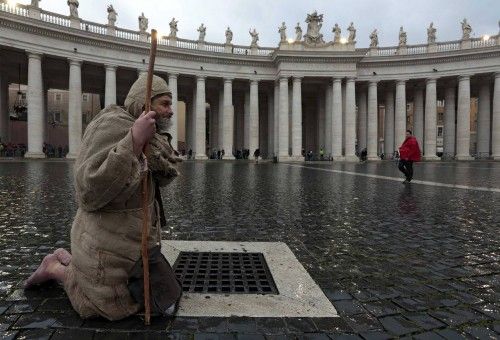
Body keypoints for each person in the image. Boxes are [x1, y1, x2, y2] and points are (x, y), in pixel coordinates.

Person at [24, 74, 182, 321]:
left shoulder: (156, 140)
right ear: (144, 106)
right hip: (107, 243)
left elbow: (160, 178)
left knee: (167, 296)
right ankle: (55, 268)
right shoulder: (112, 126)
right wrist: (134, 140)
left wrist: (149, 146)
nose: (171, 111)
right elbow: (89, 190)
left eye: (170, 104)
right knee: (110, 308)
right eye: (165, 103)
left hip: (137, 243)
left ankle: (67, 259)